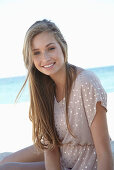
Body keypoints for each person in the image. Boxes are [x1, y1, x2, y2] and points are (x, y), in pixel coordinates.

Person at [0, 19, 113, 170]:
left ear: (62, 46)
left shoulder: (86, 82)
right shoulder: (43, 88)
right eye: (36, 53)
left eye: (51, 48)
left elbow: (104, 152)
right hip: (63, 155)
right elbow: (50, 147)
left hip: (87, 163)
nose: (45, 58)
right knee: (4, 164)